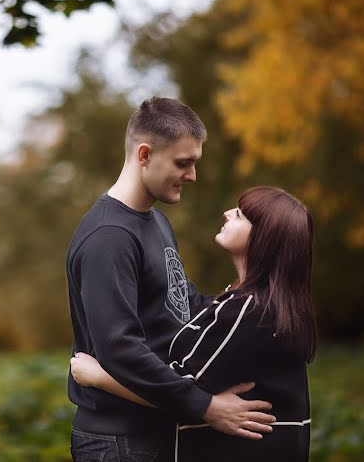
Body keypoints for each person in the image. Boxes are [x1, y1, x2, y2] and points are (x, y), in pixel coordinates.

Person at [66, 97, 276, 462]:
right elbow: (120, 351)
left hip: (159, 427)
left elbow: (183, 306)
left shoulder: (156, 221)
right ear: (144, 154)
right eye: (184, 163)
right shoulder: (109, 237)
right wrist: (205, 406)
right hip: (118, 441)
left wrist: (245, 310)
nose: (192, 175)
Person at [71, 186, 317, 461]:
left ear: (263, 237)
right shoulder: (273, 307)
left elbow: (176, 389)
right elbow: (193, 307)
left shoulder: (246, 311)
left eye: (239, 215)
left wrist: (98, 377)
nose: (227, 214)